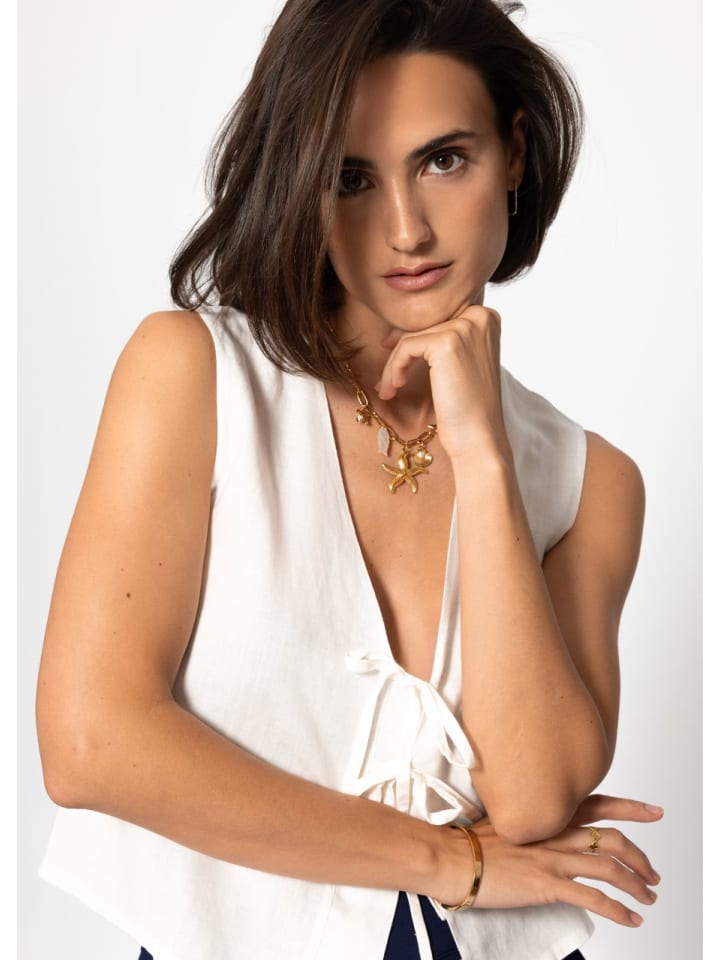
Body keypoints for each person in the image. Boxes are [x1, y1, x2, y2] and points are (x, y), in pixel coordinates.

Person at [35, 1, 663, 958]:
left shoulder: (592, 481)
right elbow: (91, 743)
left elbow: (535, 798)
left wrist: (483, 452)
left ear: (516, 153)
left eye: (444, 159)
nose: (406, 230)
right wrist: (450, 860)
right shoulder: (197, 376)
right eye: (351, 178)